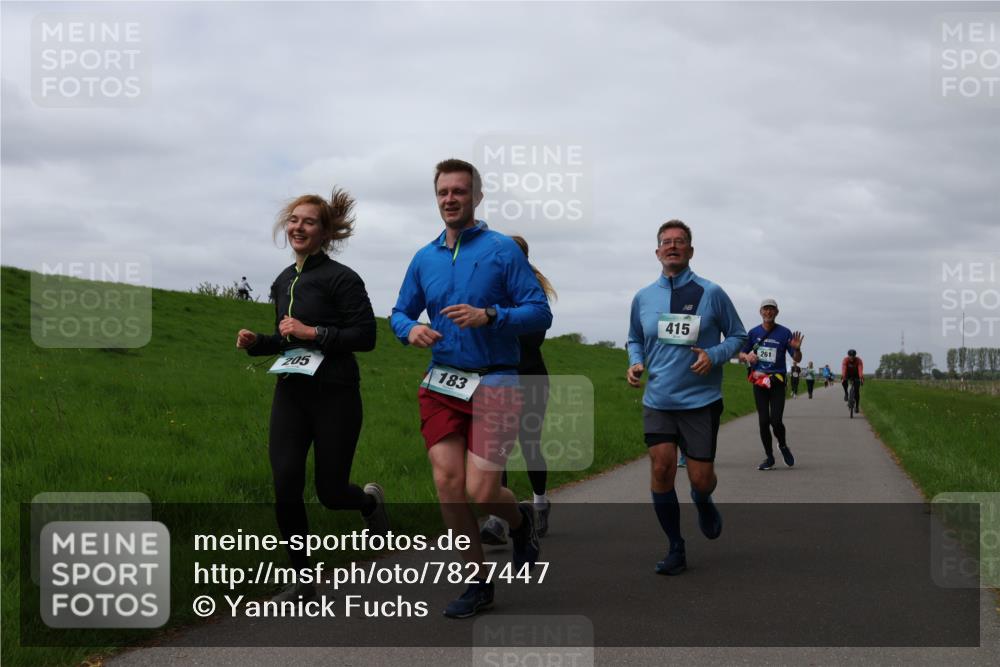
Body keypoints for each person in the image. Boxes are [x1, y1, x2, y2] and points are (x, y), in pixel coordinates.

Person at [390, 159, 552, 618]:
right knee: (447, 483)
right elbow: (400, 311)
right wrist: (409, 331)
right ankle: (478, 583)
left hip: (497, 379)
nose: (450, 199)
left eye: (459, 191)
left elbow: (540, 313)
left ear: (476, 197)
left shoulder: (503, 250)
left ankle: (519, 524)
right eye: (443, 192)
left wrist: (492, 315)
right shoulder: (424, 257)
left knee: (483, 493)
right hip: (443, 380)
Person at [236, 188, 388, 603]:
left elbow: (366, 336)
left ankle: (369, 503)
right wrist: (257, 342)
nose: (298, 227)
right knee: (285, 482)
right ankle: (303, 578)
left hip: (336, 394)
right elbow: (287, 342)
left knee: (331, 492)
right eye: (294, 220)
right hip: (292, 393)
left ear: (325, 232)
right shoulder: (283, 280)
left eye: (308, 222)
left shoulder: (343, 278)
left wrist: (314, 333)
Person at [627, 219, 747, 576]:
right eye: (667, 242)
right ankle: (675, 546)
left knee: (699, 479)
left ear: (691, 251)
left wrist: (715, 355)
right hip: (658, 400)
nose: (673, 247)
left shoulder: (711, 293)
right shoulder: (643, 297)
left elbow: (738, 336)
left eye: (680, 242)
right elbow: (634, 337)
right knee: (661, 468)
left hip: (700, 401)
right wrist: (635, 364)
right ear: (657, 251)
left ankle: (703, 500)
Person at [480, 235, 556, 545]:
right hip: (496, 379)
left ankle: (539, 502)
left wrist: (495, 321)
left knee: (529, 443)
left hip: (529, 377)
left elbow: (534, 336)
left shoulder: (531, 291)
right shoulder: (489, 288)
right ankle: (499, 519)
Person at [739, 299, 803, 471]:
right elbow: (741, 353)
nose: (768, 312)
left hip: (777, 382)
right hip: (759, 381)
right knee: (763, 421)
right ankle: (769, 457)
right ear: (760, 312)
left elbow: (796, 359)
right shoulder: (753, 333)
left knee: (776, 420)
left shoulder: (784, 333)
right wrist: (747, 357)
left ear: (777, 312)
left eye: (771, 309)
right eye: (765, 309)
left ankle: (782, 445)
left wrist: (796, 349)